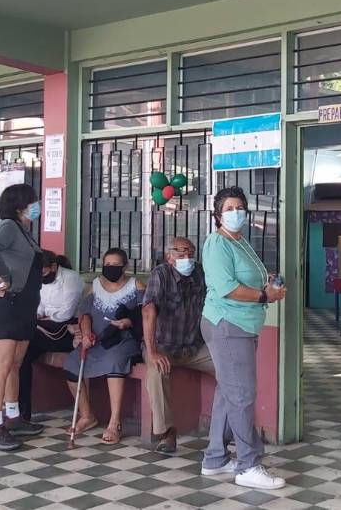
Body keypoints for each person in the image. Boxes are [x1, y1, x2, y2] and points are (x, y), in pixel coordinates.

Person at [199, 187, 288, 490]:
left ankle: (215, 458)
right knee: (242, 396)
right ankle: (248, 465)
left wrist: (268, 282)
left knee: (229, 391)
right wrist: (265, 294)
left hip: (244, 325)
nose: (237, 213)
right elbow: (226, 288)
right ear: (217, 215)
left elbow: (246, 278)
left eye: (240, 207)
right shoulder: (217, 243)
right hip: (228, 324)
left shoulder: (241, 241)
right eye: (230, 208)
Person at [0, 252, 84, 425]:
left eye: (42, 273)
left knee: (23, 346)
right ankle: (20, 413)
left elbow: (65, 313)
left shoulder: (70, 279)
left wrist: (44, 317)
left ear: (54, 267)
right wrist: (44, 316)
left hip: (67, 332)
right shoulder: (33, 279)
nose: (39, 278)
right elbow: (37, 308)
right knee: (22, 355)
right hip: (42, 328)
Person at [0, 183, 47, 450]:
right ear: (20, 205)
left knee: (16, 362)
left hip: (26, 303)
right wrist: (4, 277)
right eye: (33, 201)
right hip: (9, 302)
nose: (37, 206)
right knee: (4, 364)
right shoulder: (8, 226)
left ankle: (13, 416)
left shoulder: (23, 229)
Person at [63, 247, 145, 445]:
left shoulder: (137, 286)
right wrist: (86, 334)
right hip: (97, 340)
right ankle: (87, 416)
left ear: (125, 266)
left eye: (116, 265)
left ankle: (114, 422)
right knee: (72, 363)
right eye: (107, 265)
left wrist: (129, 322)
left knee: (114, 360)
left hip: (124, 340)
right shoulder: (95, 286)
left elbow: (146, 315)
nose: (111, 269)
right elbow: (85, 314)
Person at [143, 236, 215, 454]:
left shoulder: (200, 273)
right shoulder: (161, 274)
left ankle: (227, 428)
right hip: (164, 346)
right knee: (156, 372)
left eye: (190, 253)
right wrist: (153, 351)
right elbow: (148, 311)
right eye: (180, 253)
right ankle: (167, 432)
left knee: (229, 368)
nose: (187, 258)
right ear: (169, 257)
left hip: (194, 347)